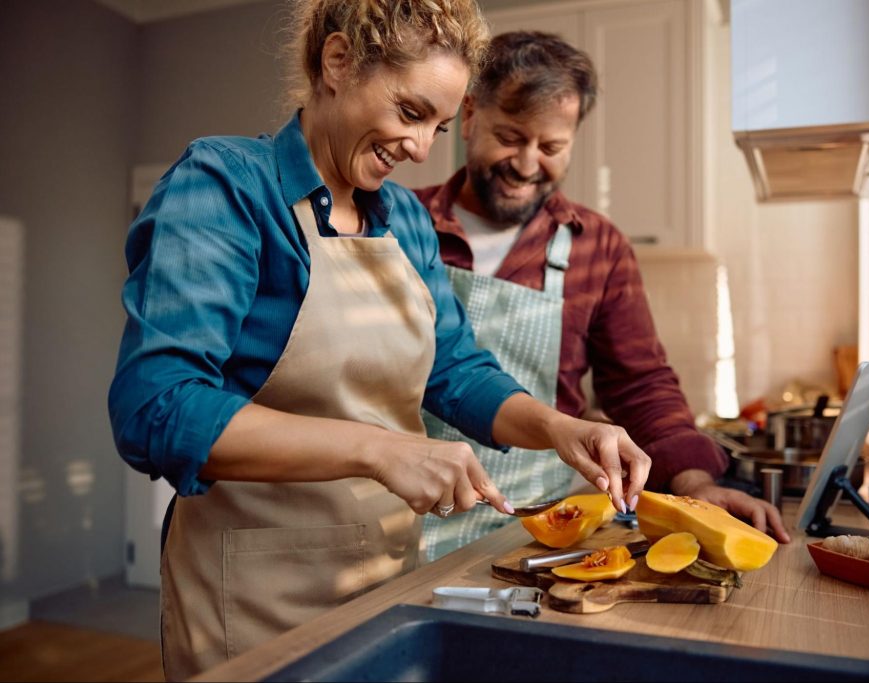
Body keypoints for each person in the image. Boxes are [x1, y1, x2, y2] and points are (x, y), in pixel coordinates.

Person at [108, 4, 651, 679]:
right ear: (338, 62)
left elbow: (454, 370)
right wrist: (379, 448)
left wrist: (560, 427)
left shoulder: (405, 222)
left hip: (385, 584)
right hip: (251, 595)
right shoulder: (229, 187)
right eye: (410, 112)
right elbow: (157, 408)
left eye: (439, 127)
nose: (421, 149)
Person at [415, 31, 790, 561]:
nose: (527, 164)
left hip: (535, 532)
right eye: (510, 137)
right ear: (470, 115)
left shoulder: (597, 246)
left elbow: (640, 383)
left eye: (551, 148)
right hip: (403, 521)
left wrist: (696, 485)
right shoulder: (404, 224)